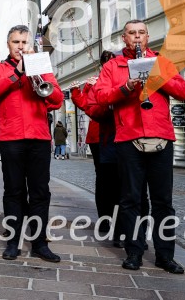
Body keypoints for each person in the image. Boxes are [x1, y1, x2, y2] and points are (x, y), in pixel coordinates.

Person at [94, 20, 185, 274]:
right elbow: (100, 96)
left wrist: (158, 77)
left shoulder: (162, 62)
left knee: (163, 201)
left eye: (141, 33)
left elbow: (182, 91)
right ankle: (134, 252)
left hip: (161, 136)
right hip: (128, 138)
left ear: (148, 37)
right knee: (130, 199)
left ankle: (165, 256)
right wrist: (125, 87)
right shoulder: (113, 66)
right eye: (132, 33)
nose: (137, 37)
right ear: (124, 38)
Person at [0, 24, 63, 263]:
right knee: (14, 191)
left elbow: (58, 99)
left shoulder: (41, 67)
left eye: (24, 42)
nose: (20, 46)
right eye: (16, 42)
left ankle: (39, 243)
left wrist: (38, 74)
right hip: (11, 138)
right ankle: (13, 242)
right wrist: (17, 73)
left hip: (39, 137)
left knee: (40, 192)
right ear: (8, 44)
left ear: (31, 45)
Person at [70, 50, 121, 245]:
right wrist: (79, 90)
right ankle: (105, 219)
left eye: (111, 61)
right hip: (99, 136)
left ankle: (120, 223)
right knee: (104, 180)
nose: (108, 64)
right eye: (105, 62)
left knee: (120, 181)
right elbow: (85, 104)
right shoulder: (96, 82)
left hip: (120, 133)